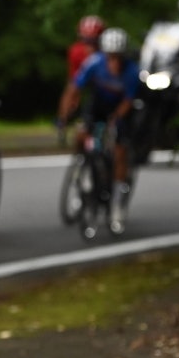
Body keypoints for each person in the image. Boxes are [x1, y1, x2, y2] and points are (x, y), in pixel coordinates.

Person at [58, 28, 141, 235]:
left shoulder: (131, 71)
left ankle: (116, 205)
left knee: (120, 150)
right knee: (82, 135)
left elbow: (128, 101)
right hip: (97, 106)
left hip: (119, 109)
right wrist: (64, 116)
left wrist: (115, 121)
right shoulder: (94, 63)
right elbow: (74, 88)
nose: (113, 62)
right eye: (110, 57)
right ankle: (83, 162)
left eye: (117, 58)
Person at [56, 15, 105, 145]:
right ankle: (63, 122)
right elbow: (74, 82)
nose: (90, 46)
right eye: (86, 41)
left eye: (94, 42)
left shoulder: (107, 53)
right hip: (86, 83)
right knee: (71, 92)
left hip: (105, 85)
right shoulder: (76, 52)